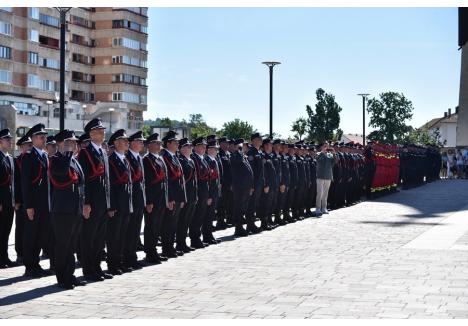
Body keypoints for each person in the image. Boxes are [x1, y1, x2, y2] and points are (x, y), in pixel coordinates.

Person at [49, 129, 86, 289]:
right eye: (69, 141)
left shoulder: (74, 160)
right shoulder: (56, 159)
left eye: (73, 141)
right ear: (60, 143)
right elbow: (62, 173)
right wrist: (67, 153)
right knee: (63, 244)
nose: (73, 144)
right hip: (62, 210)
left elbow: (81, 183)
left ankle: (70, 275)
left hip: (75, 208)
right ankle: (62, 277)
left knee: (71, 244)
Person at [78, 118, 113, 282]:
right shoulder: (85, 153)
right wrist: (85, 203)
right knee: (89, 237)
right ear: (91, 134)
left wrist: (109, 202)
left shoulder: (103, 152)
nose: (102, 133)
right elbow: (83, 181)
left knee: (99, 238)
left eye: (103, 130)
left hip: (103, 203)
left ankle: (97, 268)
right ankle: (88, 269)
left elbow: (106, 181)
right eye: (99, 131)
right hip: (91, 204)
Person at [21, 123, 54, 277]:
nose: (44, 139)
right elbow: (25, 183)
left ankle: (36, 264)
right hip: (33, 204)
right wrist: (28, 206)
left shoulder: (44, 156)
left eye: (45, 136)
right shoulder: (28, 156)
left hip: (45, 204)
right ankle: (30, 266)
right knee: (31, 235)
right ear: (33, 139)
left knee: (41, 235)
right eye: (41, 136)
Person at [107, 129, 133, 275]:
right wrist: (111, 206)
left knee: (123, 235)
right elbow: (110, 185)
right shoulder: (112, 160)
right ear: (116, 143)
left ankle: (120, 262)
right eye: (124, 140)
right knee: (114, 236)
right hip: (116, 205)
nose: (127, 142)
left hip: (125, 204)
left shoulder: (124, 159)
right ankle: (113, 264)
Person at [142, 133, 168, 264]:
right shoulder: (147, 160)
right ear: (149, 145)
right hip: (153, 200)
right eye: (156, 143)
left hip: (161, 198)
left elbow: (165, 181)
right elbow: (147, 183)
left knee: (157, 227)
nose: (159, 145)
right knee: (151, 226)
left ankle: (154, 251)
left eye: (159, 143)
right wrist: (149, 201)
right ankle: (149, 252)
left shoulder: (159, 159)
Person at [160, 130, 186, 258]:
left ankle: (171, 247)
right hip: (170, 196)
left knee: (173, 223)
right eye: (175, 142)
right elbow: (167, 180)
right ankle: (167, 248)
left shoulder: (174, 156)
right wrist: (169, 198)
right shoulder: (164, 157)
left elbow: (180, 179)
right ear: (168, 143)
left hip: (177, 196)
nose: (177, 144)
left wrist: (181, 197)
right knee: (167, 224)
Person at [125, 131, 146, 270]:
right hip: (130, 200)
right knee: (129, 231)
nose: (141, 144)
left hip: (139, 199)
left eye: (142, 142)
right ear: (131, 142)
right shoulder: (127, 158)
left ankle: (132, 257)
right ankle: (127, 258)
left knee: (136, 231)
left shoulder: (139, 157)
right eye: (139, 141)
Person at [13, 135, 32, 265]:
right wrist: (17, 200)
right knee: (20, 228)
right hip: (21, 201)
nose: (29, 147)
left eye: (31, 145)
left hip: (30, 200)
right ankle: (20, 253)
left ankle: (29, 253)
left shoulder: (32, 159)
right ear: (21, 147)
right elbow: (16, 182)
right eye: (27, 145)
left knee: (30, 229)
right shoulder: (17, 160)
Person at [0, 129, 17, 268]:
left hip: (9, 201)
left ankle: (4, 257)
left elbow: (12, 182)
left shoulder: (10, 158)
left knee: (6, 230)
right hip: (1, 201)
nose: (10, 141)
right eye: (7, 139)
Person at [230, 138, 254, 237]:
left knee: (243, 207)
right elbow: (237, 162)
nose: (242, 148)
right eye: (240, 146)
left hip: (246, 186)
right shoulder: (235, 156)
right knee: (239, 207)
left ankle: (240, 227)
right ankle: (238, 228)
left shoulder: (243, 156)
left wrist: (251, 185)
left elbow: (249, 170)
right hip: (239, 187)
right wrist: (238, 151)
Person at [177, 138, 197, 253]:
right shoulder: (181, 160)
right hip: (186, 195)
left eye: (190, 146)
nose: (190, 148)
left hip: (192, 195)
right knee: (182, 221)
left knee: (187, 221)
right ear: (182, 148)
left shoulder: (191, 160)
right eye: (188, 146)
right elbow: (182, 181)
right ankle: (180, 244)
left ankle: (183, 242)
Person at [190, 137, 210, 248]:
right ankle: (195, 239)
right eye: (202, 146)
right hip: (199, 193)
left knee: (201, 217)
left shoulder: (203, 158)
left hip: (204, 192)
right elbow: (197, 178)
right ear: (196, 147)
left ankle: (198, 238)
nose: (204, 147)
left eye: (205, 146)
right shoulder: (194, 159)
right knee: (196, 218)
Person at [246, 133, 266, 234]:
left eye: (261, 139)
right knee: (251, 205)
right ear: (253, 140)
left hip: (260, 183)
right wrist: (251, 186)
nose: (261, 140)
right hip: (254, 184)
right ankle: (250, 225)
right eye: (259, 139)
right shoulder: (251, 152)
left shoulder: (259, 152)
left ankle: (252, 224)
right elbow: (251, 171)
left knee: (256, 204)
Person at [204, 139, 221, 244]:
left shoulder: (214, 160)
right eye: (214, 148)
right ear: (209, 149)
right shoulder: (207, 161)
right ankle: (206, 236)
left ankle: (209, 235)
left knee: (211, 215)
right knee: (207, 216)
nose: (216, 150)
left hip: (215, 192)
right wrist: (209, 195)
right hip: (210, 193)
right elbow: (208, 180)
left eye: (216, 149)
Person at [315, 143, 335, 217]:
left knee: (325, 193)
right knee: (319, 193)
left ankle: (324, 208)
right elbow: (317, 160)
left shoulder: (330, 155)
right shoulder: (318, 153)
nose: (326, 147)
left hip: (328, 176)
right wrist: (322, 153)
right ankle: (318, 208)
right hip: (320, 176)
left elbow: (335, 162)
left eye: (327, 146)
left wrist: (334, 154)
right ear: (321, 147)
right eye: (324, 146)